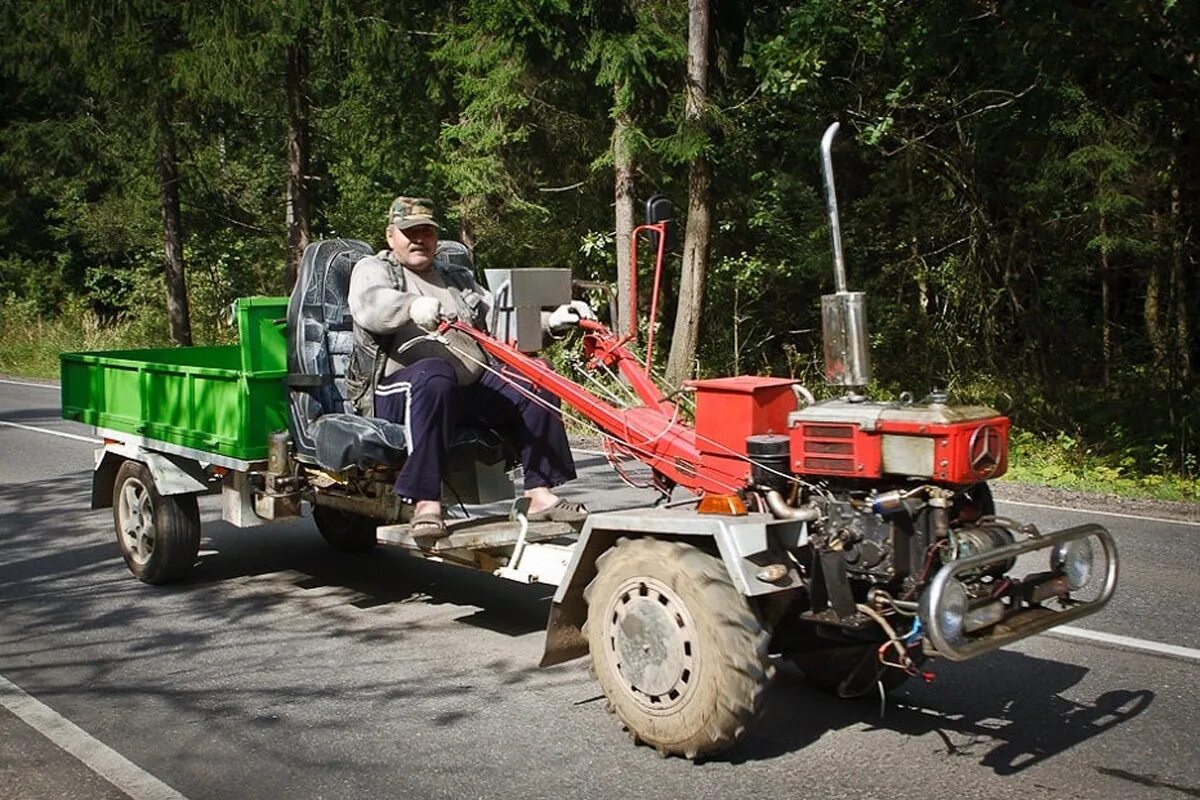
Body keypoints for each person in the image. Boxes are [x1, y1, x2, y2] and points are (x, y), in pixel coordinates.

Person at [347, 196, 595, 537]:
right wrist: (412, 306)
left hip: (464, 387)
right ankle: (426, 503)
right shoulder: (374, 269)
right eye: (410, 231)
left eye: (427, 232)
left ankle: (539, 494)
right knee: (435, 374)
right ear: (391, 236)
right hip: (399, 391)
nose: (419, 238)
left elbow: (497, 318)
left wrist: (551, 321)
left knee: (538, 378)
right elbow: (370, 306)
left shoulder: (456, 278)